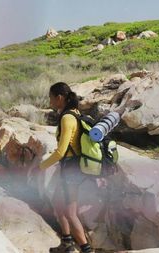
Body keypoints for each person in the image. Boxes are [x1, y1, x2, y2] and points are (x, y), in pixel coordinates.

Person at [38, 82, 95, 253]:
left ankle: (87, 249)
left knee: (71, 213)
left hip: (71, 171)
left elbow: (61, 151)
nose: (50, 101)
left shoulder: (66, 118)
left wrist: (42, 166)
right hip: (72, 168)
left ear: (59, 98)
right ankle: (67, 244)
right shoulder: (75, 113)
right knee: (57, 202)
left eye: (51, 98)